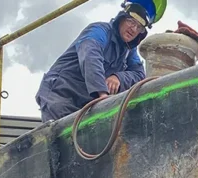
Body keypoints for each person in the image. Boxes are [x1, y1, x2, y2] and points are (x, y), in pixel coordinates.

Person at [35, 1, 166, 123]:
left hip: (84, 104)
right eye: (131, 21)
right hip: (60, 94)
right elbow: (91, 56)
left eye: (139, 27)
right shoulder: (99, 31)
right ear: (121, 18)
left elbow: (139, 74)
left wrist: (119, 77)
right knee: (59, 138)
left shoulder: (128, 51)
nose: (134, 29)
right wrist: (102, 94)